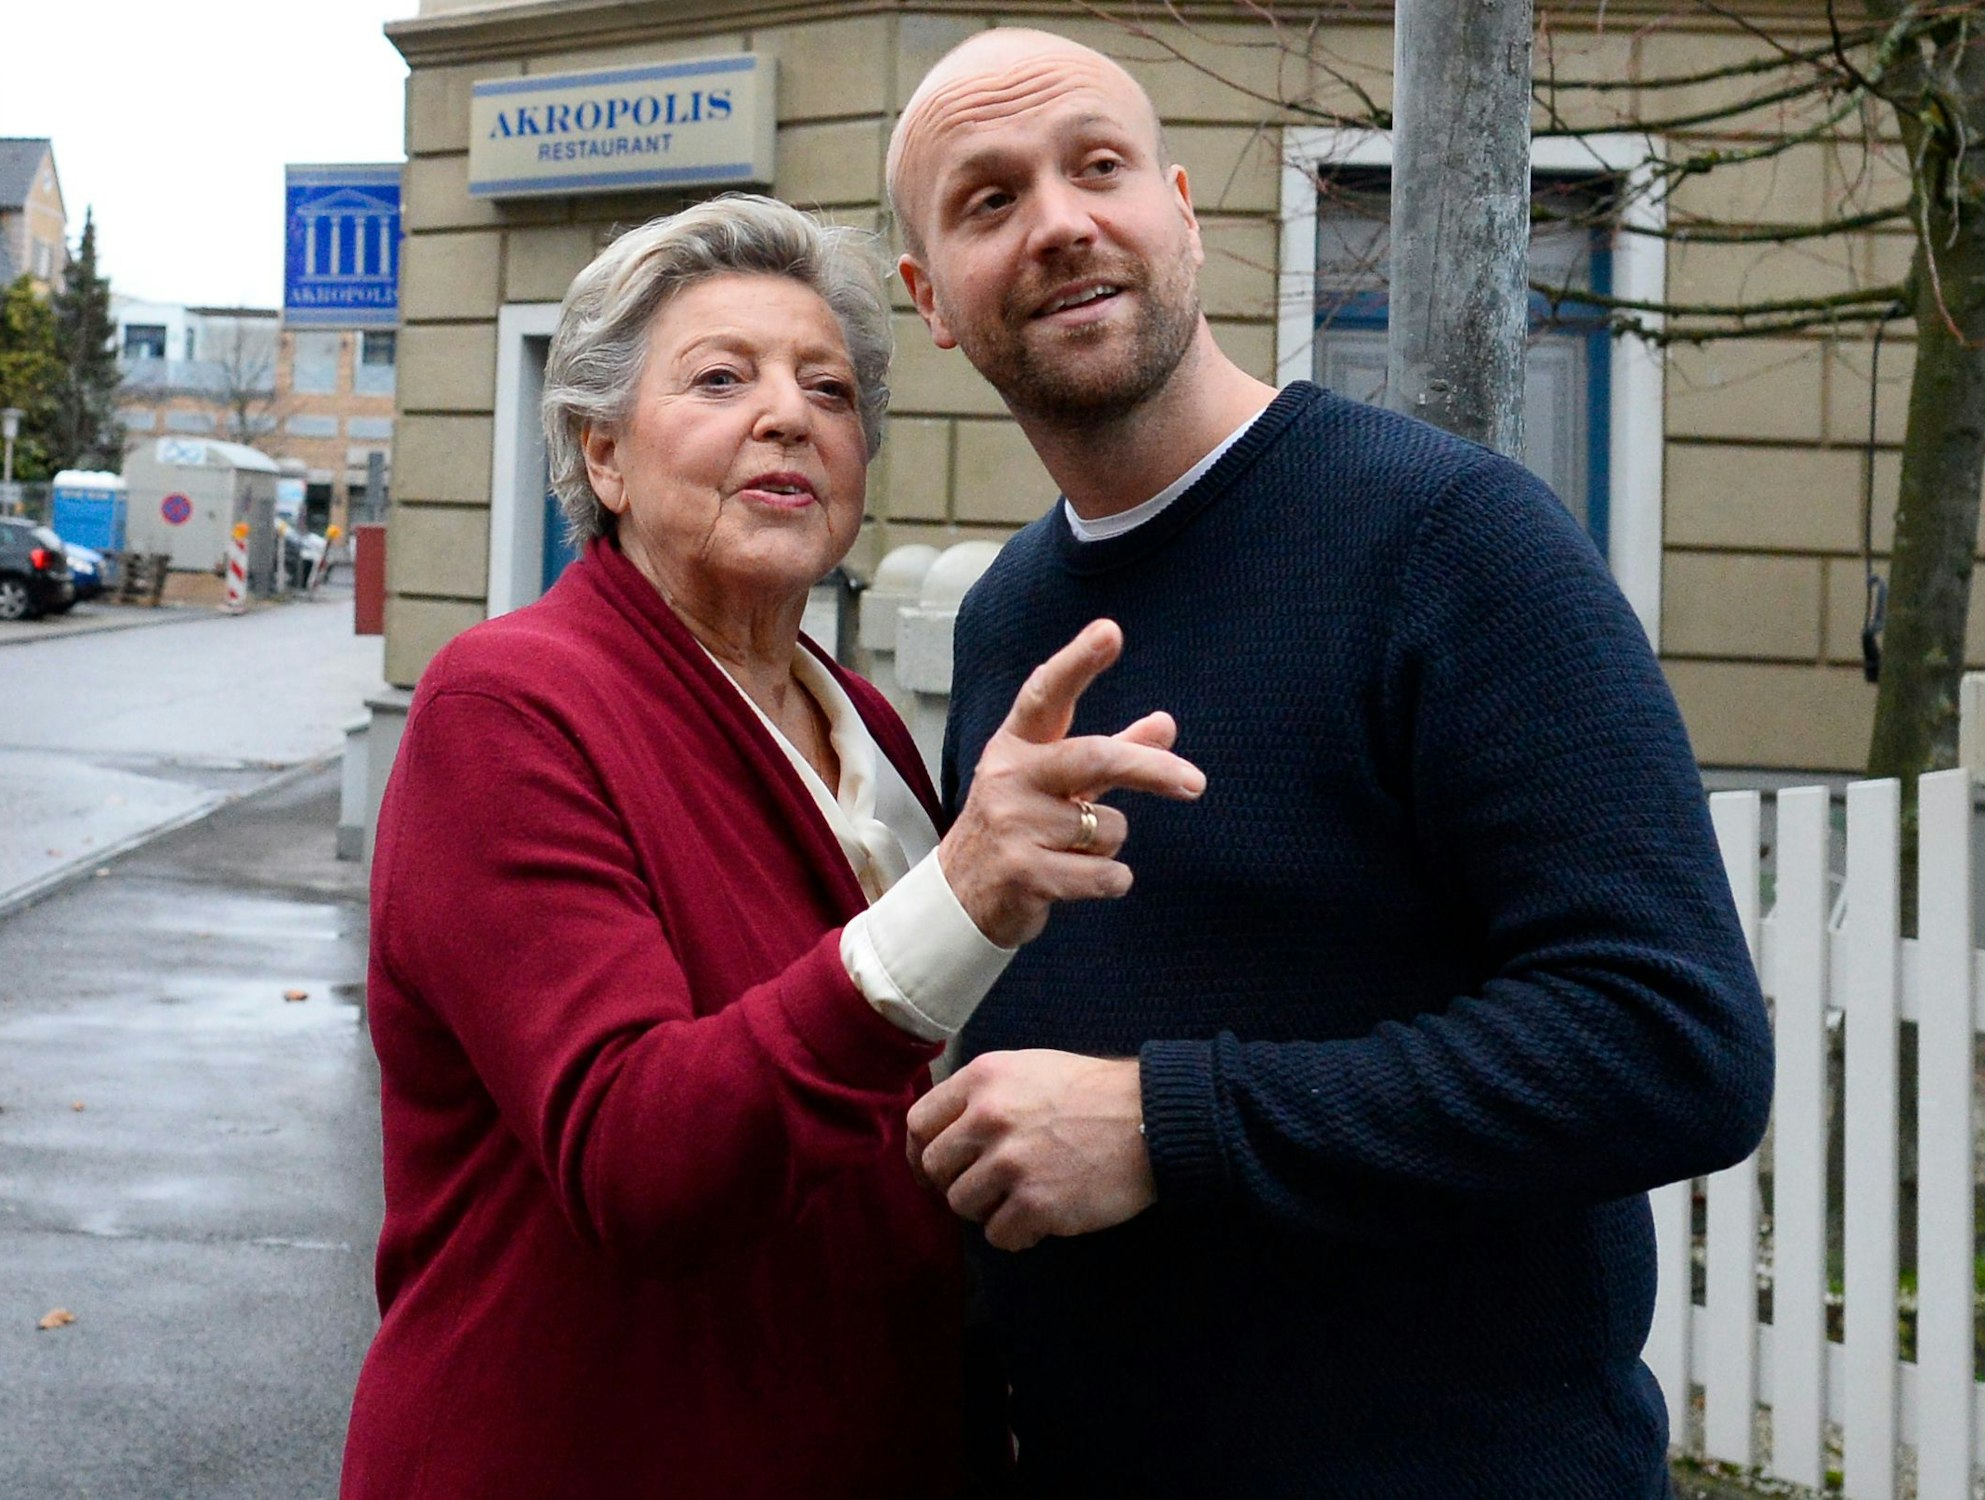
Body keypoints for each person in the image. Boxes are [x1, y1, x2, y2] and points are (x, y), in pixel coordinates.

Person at [889, 30, 1776, 1497]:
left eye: (1097, 168)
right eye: (987, 201)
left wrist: (1168, 1126)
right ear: (932, 300)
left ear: (1180, 209)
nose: (1058, 221)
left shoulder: (1451, 540)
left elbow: (1674, 1044)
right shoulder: (1009, 619)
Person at [338, 193, 1204, 1498]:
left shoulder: (852, 715)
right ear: (606, 456)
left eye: (831, 389)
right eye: (720, 378)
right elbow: (644, 1159)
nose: (790, 414)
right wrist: (958, 896)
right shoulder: (506, 708)